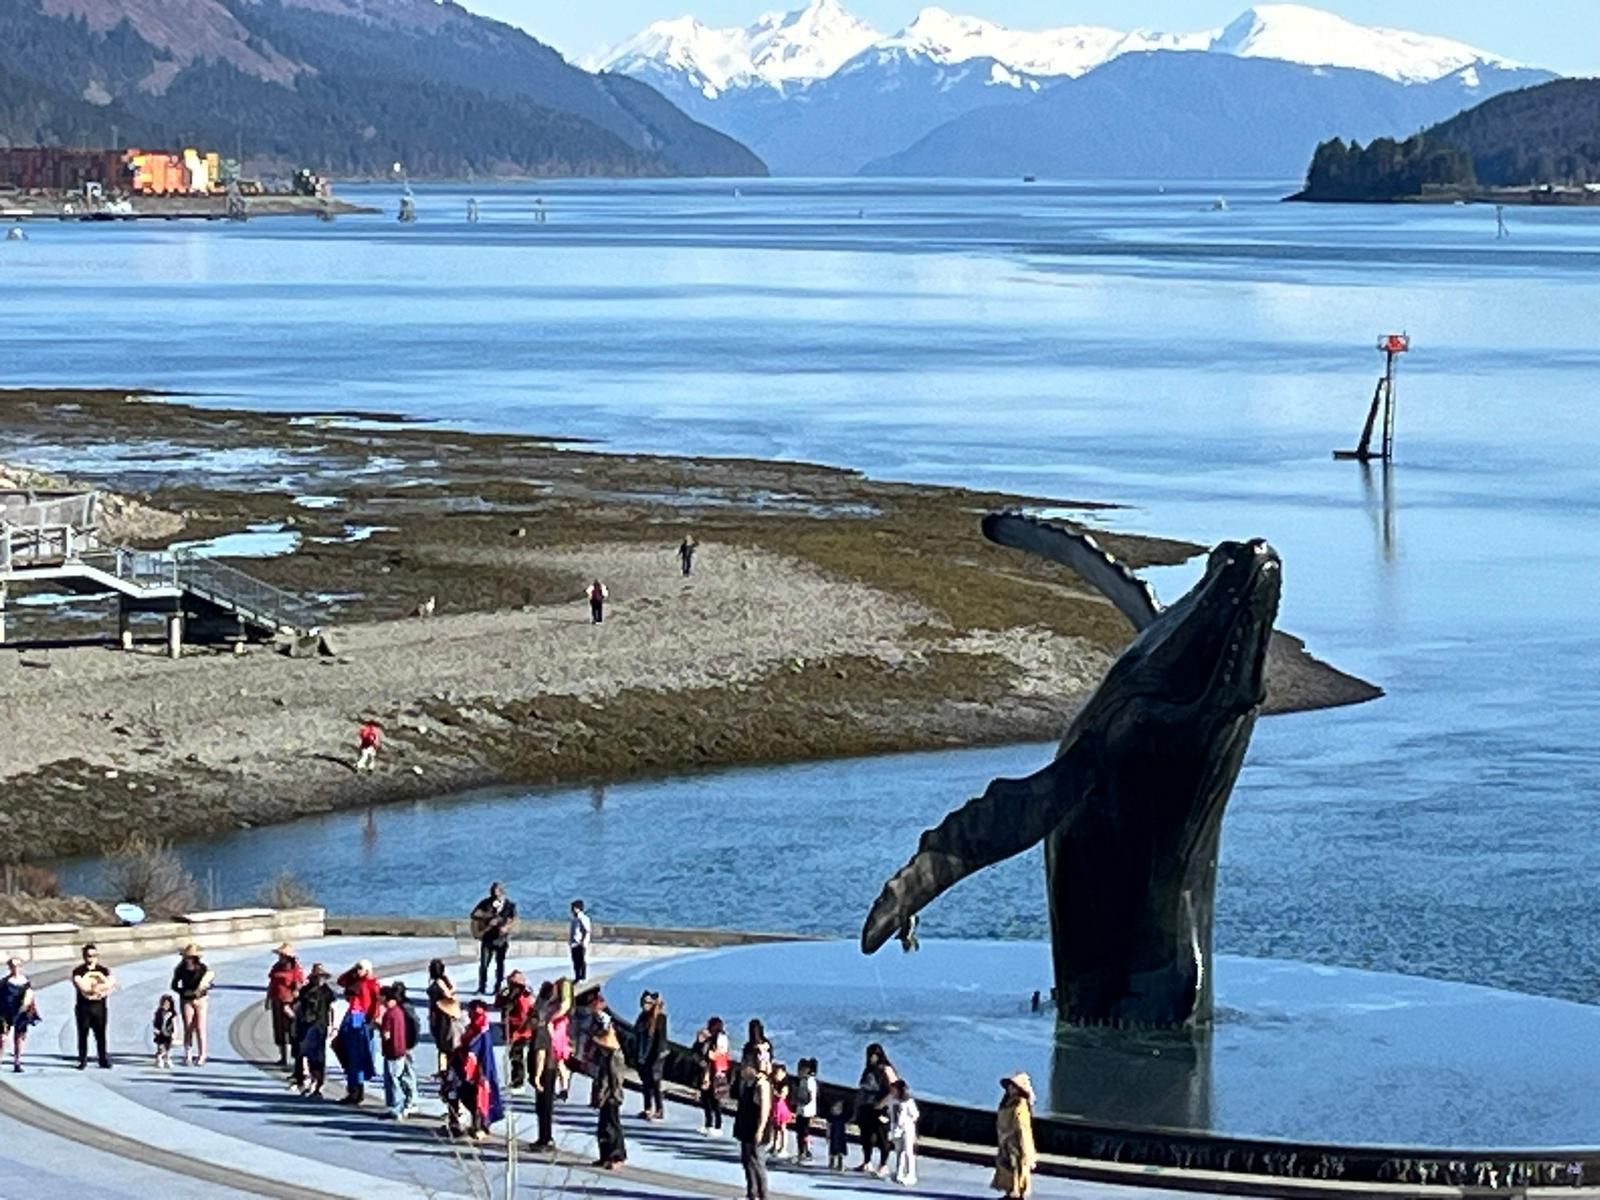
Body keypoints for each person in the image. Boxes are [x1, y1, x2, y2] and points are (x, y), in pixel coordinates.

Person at [444, 999, 503, 1141]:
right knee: (470, 1097)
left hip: (480, 1071)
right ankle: (476, 1125)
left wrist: (467, 1063)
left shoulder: (481, 1031)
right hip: (470, 1069)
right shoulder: (474, 1028)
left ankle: (481, 1127)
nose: (469, 1014)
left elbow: (475, 1051)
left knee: (480, 1099)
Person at [335, 960, 382, 1104]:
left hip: (361, 1018)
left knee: (357, 1056)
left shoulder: (373, 984)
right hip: (353, 1015)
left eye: (360, 969)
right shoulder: (355, 980)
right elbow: (341, 981)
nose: (357, 971)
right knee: (347, 1052)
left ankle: (356, 1090)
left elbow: (376, 1003)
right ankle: (354, 1089)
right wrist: (353, 969)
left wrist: (372, 1020)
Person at [853, 1042, 898, 1176]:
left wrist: (882, 1104)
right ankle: (867, 1161)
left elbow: (894, 1089)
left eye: (874, 1055)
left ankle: (883, 1164)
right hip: (866, 1107)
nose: (871, 1058)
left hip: (881, 1109)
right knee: (866, 1136)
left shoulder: (886, 1070)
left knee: (882, 1137)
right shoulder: (868, 1070)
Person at [293, 962, 337, 1096]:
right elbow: (299, 1008)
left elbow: (331, 1009)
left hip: (320, 1026)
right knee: (305, 1054)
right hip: (305, 1026)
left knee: (319, 1056)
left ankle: (318, 1083)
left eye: (322, 977)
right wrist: (295, 1024)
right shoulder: (305, 990)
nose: (320, 980)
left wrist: (333, 1026)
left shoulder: (327, 992)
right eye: (317, 977)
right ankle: (308, 1080)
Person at [734, 1053, 773, 1200]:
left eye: (745, 1067)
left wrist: (761, 1129)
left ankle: (764, 1195)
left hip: (756, 1128)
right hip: (745, 1126)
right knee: (747, 1160)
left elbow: (765, 1108)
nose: (742, 1070)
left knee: (757, 1161)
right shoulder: (748, 1082)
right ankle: (752, 1193)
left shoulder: (762, 1084)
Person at [992, 1072, 1037, 1200]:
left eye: (1014, 1087)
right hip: (1006, 1141)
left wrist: (1020, 1144)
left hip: (1016, 1142)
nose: (1011, 1089)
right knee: (1006, 1166)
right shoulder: (1007, 1102)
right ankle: (1011, 1191)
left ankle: (1017, 1193)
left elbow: (1021, 1127)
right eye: (1010, 1087)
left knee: (1017, 1166)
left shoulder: (1020, 1105)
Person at [591, 1016, 628, 1169]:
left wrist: (614, 1095)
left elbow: (616, 1079)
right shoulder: (605, 1055)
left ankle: (616, 1155)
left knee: (612, 1125)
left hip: (611, 1095)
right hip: (604, 1094)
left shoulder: (615, 1056)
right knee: (603, 1126)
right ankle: (605, 1155)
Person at [380, 983, 419, 1120]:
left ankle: (396, 1107)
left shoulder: (388, 1015)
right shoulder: (399, 1011)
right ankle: (407, 1102)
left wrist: (379, 1027)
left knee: (393, 1079)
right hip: (401, 1049)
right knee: (402, 1077)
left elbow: (386, 1035)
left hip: (392, 1051)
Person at [171, 943, 215, 1066]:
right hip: (186, 999)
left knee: (201, 1027)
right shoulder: (180, 969)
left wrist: (204, 988)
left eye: (191, 958)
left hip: (201, 999)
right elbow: (174, 985)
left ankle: (202, 1054)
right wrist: (183, 991)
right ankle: (188, 1054)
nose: (189, 960)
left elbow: (210, 983)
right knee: (188, 1027)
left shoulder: (202, 969)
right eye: (187, 958)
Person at [72, 943, 114, 1070]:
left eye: (94, 955)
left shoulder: (103, 970)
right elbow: (81, 985)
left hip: (99, 1007)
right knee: (83, 1034)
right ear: (84, 957)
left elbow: (111, 983)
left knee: (101, 1034)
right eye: (89, 956)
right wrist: (96, 988)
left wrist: (97, 988)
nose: (91, 958)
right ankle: (82, 1060)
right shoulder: (79, 971)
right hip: (84, 1007)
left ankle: (103, 1059)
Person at [470, 882, 518, 994]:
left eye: (496, 892)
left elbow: (514, 920)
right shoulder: (485, 903)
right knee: (484, 964)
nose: (493, 894)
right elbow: (474, 914)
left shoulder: (510, 905)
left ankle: (498, 988)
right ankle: (482, 987)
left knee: (500, 963)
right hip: (487, 937)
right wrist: (489, 917)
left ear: (502, 892)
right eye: (492, 892)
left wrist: (506, 927)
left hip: (501, 939)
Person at [266, 942, 305, 1069]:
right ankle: (283, 1057)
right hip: (277, 1001)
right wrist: (268, 998)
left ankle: (296, 1058)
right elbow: (272, 983)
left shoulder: (295, 969)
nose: (280, 958)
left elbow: (299, 987)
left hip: (289, 1003)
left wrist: (293, 999)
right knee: (279, 1030)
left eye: (282, 956)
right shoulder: (276, 967)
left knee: (292, 1030)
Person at [496, 970, 536, 1091]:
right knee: (514, 1055)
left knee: (517, 1055)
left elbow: (524, 1013)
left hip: (521, 1030)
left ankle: (519, 1081)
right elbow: (498, 1004)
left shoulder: (523, 995)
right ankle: (517, 1080)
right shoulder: (509, 993)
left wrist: (518, 1029)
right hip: (512, 1029)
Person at [633, 990, 667, 1120]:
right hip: (642, 1055)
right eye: (643, 1002)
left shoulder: (660, 1018)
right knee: (646, 1084)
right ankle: (647, 1108)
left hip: (654, 1056)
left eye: (648, 1002)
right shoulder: (642, 1017)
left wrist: (658, 1057)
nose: (644, 1005)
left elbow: (661, 1039)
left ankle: (659, 1109)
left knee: (655, 1083)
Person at [0, 958, 38, 1073]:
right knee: (2, 1038)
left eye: (18, 965)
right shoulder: (4, 982)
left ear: (21, 967)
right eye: (13, 966)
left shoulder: (26, 982)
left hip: (21, 1011)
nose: (15, 968)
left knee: (19, 1037)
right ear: (9, 967)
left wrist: (30, 1009)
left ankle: (17, 1062)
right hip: (6, 1012)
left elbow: (30, 996)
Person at [694, 1015, 731, 1134]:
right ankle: (708, 1123)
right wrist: (699, 1041)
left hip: (715, 1072)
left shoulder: (721, 1038)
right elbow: (696, 1051)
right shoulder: (706, 1038)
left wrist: (710, 1055)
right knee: (705, 1098)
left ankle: (717, 1125)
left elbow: (719, 1054)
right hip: (706, 1071)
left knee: (715, 1099)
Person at [426, 959, 462, 1077]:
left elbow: (439, 1001)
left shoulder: (437, 986)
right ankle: (446, 1068)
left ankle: (445, 1069)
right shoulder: (446, 981)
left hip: (441, 1018)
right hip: (449, 1016)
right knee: (449, 1043)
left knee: (443, 1045)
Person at [888, 1078, 920, 1186]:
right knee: (899, 1152)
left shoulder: (908, 1101)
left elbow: (915, 1115)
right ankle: (900, 1173)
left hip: (907, 1128)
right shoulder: (892, 1100)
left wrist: (906, 1122)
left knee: (908, 1152)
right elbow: (890, 1113)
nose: (892, 1091)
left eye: (894, 1089)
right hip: (896, 1129)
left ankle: (911, 1175)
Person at [792, 1057, 819, 1162]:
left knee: (803, 1132)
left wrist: (798, 1100)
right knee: (801, 1132)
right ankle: (802, 1151)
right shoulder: (805, 1081)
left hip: (806, 1110)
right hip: (803, 1110)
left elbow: (809, 1097)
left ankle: (804, 1151)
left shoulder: (808, 1081)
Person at [768, 1061, 793, 1156]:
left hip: (782, 1109)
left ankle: (783, 1147)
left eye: (778, 1074)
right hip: (775, 1108)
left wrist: (774, 1092)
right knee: (775, 1128)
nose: (776, 1076)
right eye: (775, 1073)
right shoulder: (774, 1083)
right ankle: (775, 1145)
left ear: (784, 1073)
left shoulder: (784, 1085)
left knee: (782, 1128)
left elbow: (782, 1096)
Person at [568, 899, 592, 982]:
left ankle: (583, 977)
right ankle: (577, 977)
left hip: (580, 943)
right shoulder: (574, 919)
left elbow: (586, 930)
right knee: (575, 962)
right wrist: (570, 942)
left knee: (581, 960)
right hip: (574, 943)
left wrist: (583, 941)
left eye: (573, 908)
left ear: (578, 908)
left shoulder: (583, 918)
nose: (572, 910)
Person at [152, 994, 177, 1069]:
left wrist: (175, 1033)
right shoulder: (158, 1013)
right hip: (160, 1034)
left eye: (167, 1004)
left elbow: (175, 1024)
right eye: (164, 1003)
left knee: (168, 1048)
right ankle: (159, 1058)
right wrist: (155, 1030)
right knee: (161, 1048)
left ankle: (167, 1058)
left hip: (169, 1034)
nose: (165, 1005)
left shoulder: (172, 1014)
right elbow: (155, 1022)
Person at [827, 1099, 850, 1171]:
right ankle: (832, 1162)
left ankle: (840, 1164)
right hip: (834, 1137)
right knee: (832, 1150)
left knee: (840, 1151)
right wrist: (827, 1134)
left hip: (841, 1138)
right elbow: (829, 1126)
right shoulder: (831, 1118)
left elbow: (846, 1127)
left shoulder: (843, 1118)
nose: (834, 1109)